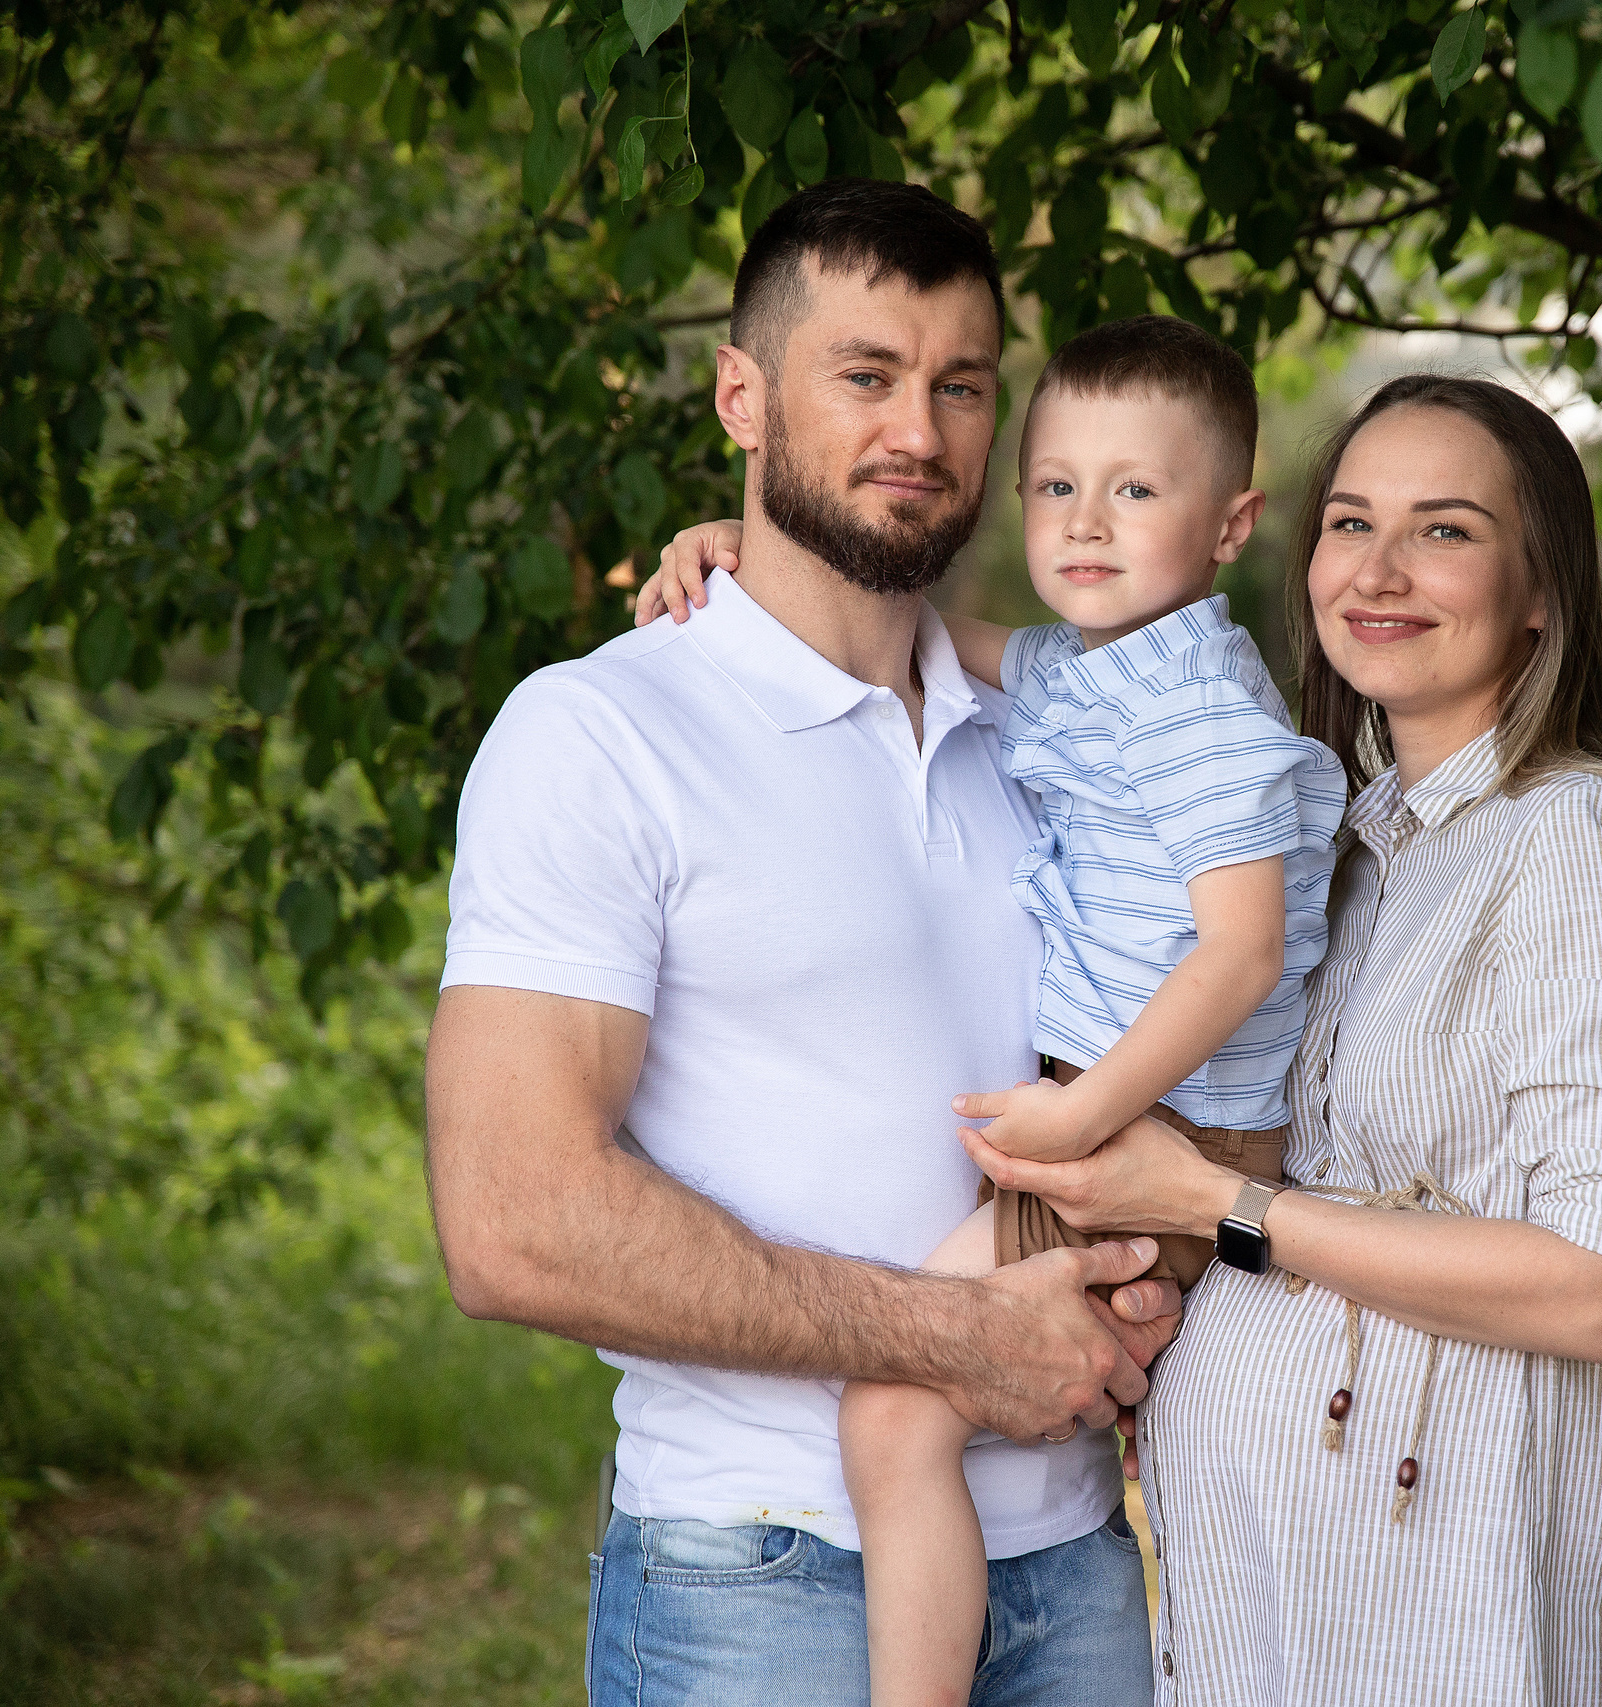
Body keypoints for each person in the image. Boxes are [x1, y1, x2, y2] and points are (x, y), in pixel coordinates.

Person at [422, 179, 1184, 1707]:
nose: (921, 427)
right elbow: (511, 1221)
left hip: (1078, 1565)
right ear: (741, 396)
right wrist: (956, 1342)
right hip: (762, 1582)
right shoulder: (603, 735)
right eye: (867, 375)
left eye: (961, 385)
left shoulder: (1062, 733)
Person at [958, 375, 1602, 1704]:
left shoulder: (1578, 849)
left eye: (1445, 530)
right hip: (1282, 1594)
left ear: (1540, 588)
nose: (1380, 570)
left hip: (1454, 1608)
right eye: (1351, 522)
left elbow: (1598, 1290)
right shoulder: (1362, 839)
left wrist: (1216, 1206)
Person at [635, 315, 1345, 1706]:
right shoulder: (1099, 670)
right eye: (1054, 487)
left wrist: (1088, 1112)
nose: (1084, 523)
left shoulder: (1204, 710)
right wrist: (734, 553)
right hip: (1125, 1111)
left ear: (1229, 523)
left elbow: (1241, 956)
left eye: (1135, 491)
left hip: (1163, 1126)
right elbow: (927, 634)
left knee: (896, 1417)